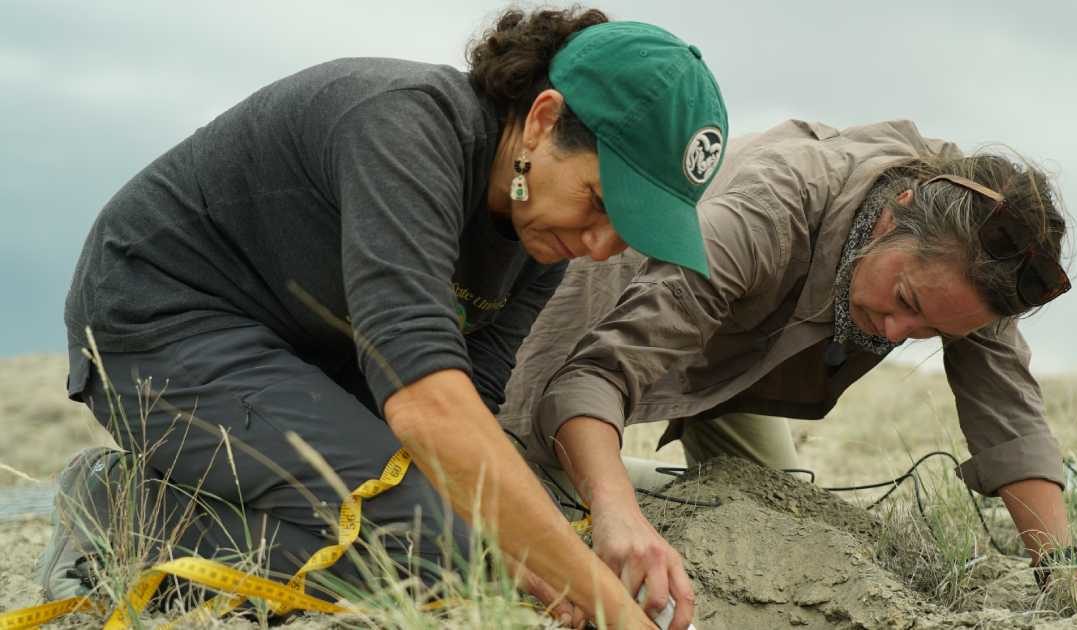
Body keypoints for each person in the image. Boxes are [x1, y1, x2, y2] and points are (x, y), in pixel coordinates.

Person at [44, 7, 729, 628]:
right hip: (157, 326)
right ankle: (128, 512)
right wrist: (608, 609)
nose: (602, 245)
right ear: (545, 121)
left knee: (477, 555)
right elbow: (429, 405)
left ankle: (182, 505)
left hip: (300, 361)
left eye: (628, 229)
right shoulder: (405, 124)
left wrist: (536, 553)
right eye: (601, 201)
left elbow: (474, 408)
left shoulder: (541, 235)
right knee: (439, 553)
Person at [500, 119, 1077, 629]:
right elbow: (593, 376)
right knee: (523, 496)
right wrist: (617, 515)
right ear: (893, 216)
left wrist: (1069, 580)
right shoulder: (768, 207)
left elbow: (1008, 415)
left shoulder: (972, 258)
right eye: (905, 304)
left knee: (771, 505)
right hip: (606, 311)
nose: (896, 335)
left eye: (929, 333)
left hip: (748, 362)